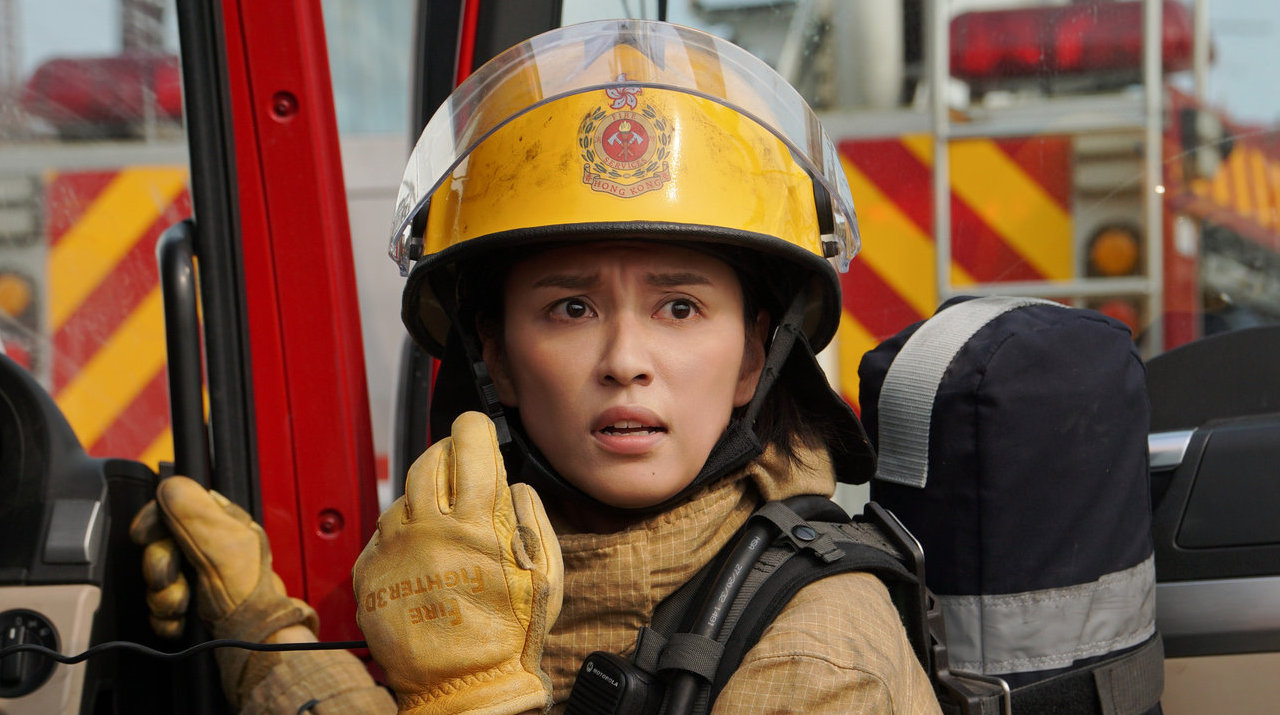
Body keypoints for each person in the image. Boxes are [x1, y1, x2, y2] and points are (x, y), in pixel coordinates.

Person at [130, 19, 940, 714]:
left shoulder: (818, 655)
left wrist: (474, 698)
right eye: (572, 309)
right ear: (495, 356)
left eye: (679, 308)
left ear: (754, 356)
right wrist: (262, 634)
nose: (625, 361)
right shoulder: (512, 591)